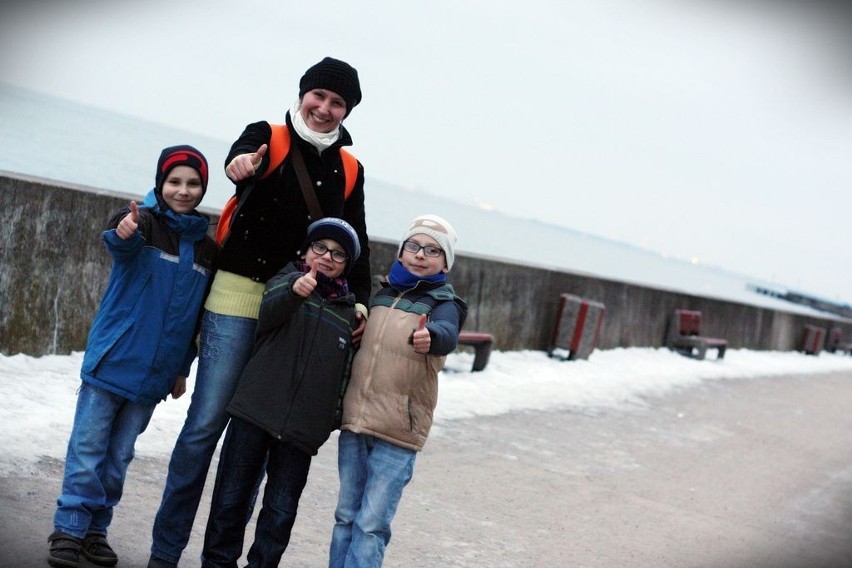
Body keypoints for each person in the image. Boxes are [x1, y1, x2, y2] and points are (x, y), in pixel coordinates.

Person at [148, 57, 371, 568]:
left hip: (297, 308)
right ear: (303, 94)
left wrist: (359, 301)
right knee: (207, 425)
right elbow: (238, 159)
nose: (325, 108)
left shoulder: (351, 168)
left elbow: (355, 239)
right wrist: (240, 165)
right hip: (238, 297)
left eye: (337, 102)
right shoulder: (266, 134)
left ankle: (220, 558)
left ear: (347, 110)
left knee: (255, 431)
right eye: (318, 96)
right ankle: (165, 552)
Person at [47, 146, 217, 568]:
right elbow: (118, 242)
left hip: (153, 377)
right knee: (88, 447)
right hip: (113, 361)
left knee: (120, 456)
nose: (183, 190)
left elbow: (193, 319)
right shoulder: (140, 222)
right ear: (160, 183)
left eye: (192, 183)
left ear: (203, 188)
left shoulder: (208, 250)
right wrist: (122, 230)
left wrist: (181, 369)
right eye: (174, 181)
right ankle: (69, 527)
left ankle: (95, 530)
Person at [201, 218, 361, 568]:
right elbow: (268, 313)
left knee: (280, 512)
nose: (327, 258)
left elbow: (345, 374)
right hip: (254, 412)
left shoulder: (349, 314)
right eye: (320, 247)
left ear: (346, 265)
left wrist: (327, 422)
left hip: (301, 432)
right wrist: (295, 291)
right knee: (230, 499)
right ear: (306, 250)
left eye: (338, 254)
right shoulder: (285, 279)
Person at [328, 214, 468, 567]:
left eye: (434, 250)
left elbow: (448, 333)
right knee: (346, 515)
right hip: (357, 421)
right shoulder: (381, 295)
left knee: (371, 525)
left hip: (398, 430)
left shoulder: (444, 303)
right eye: (415, 246)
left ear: (446, 263)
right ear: (402, 251)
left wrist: (431, 337)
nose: (421, 254)